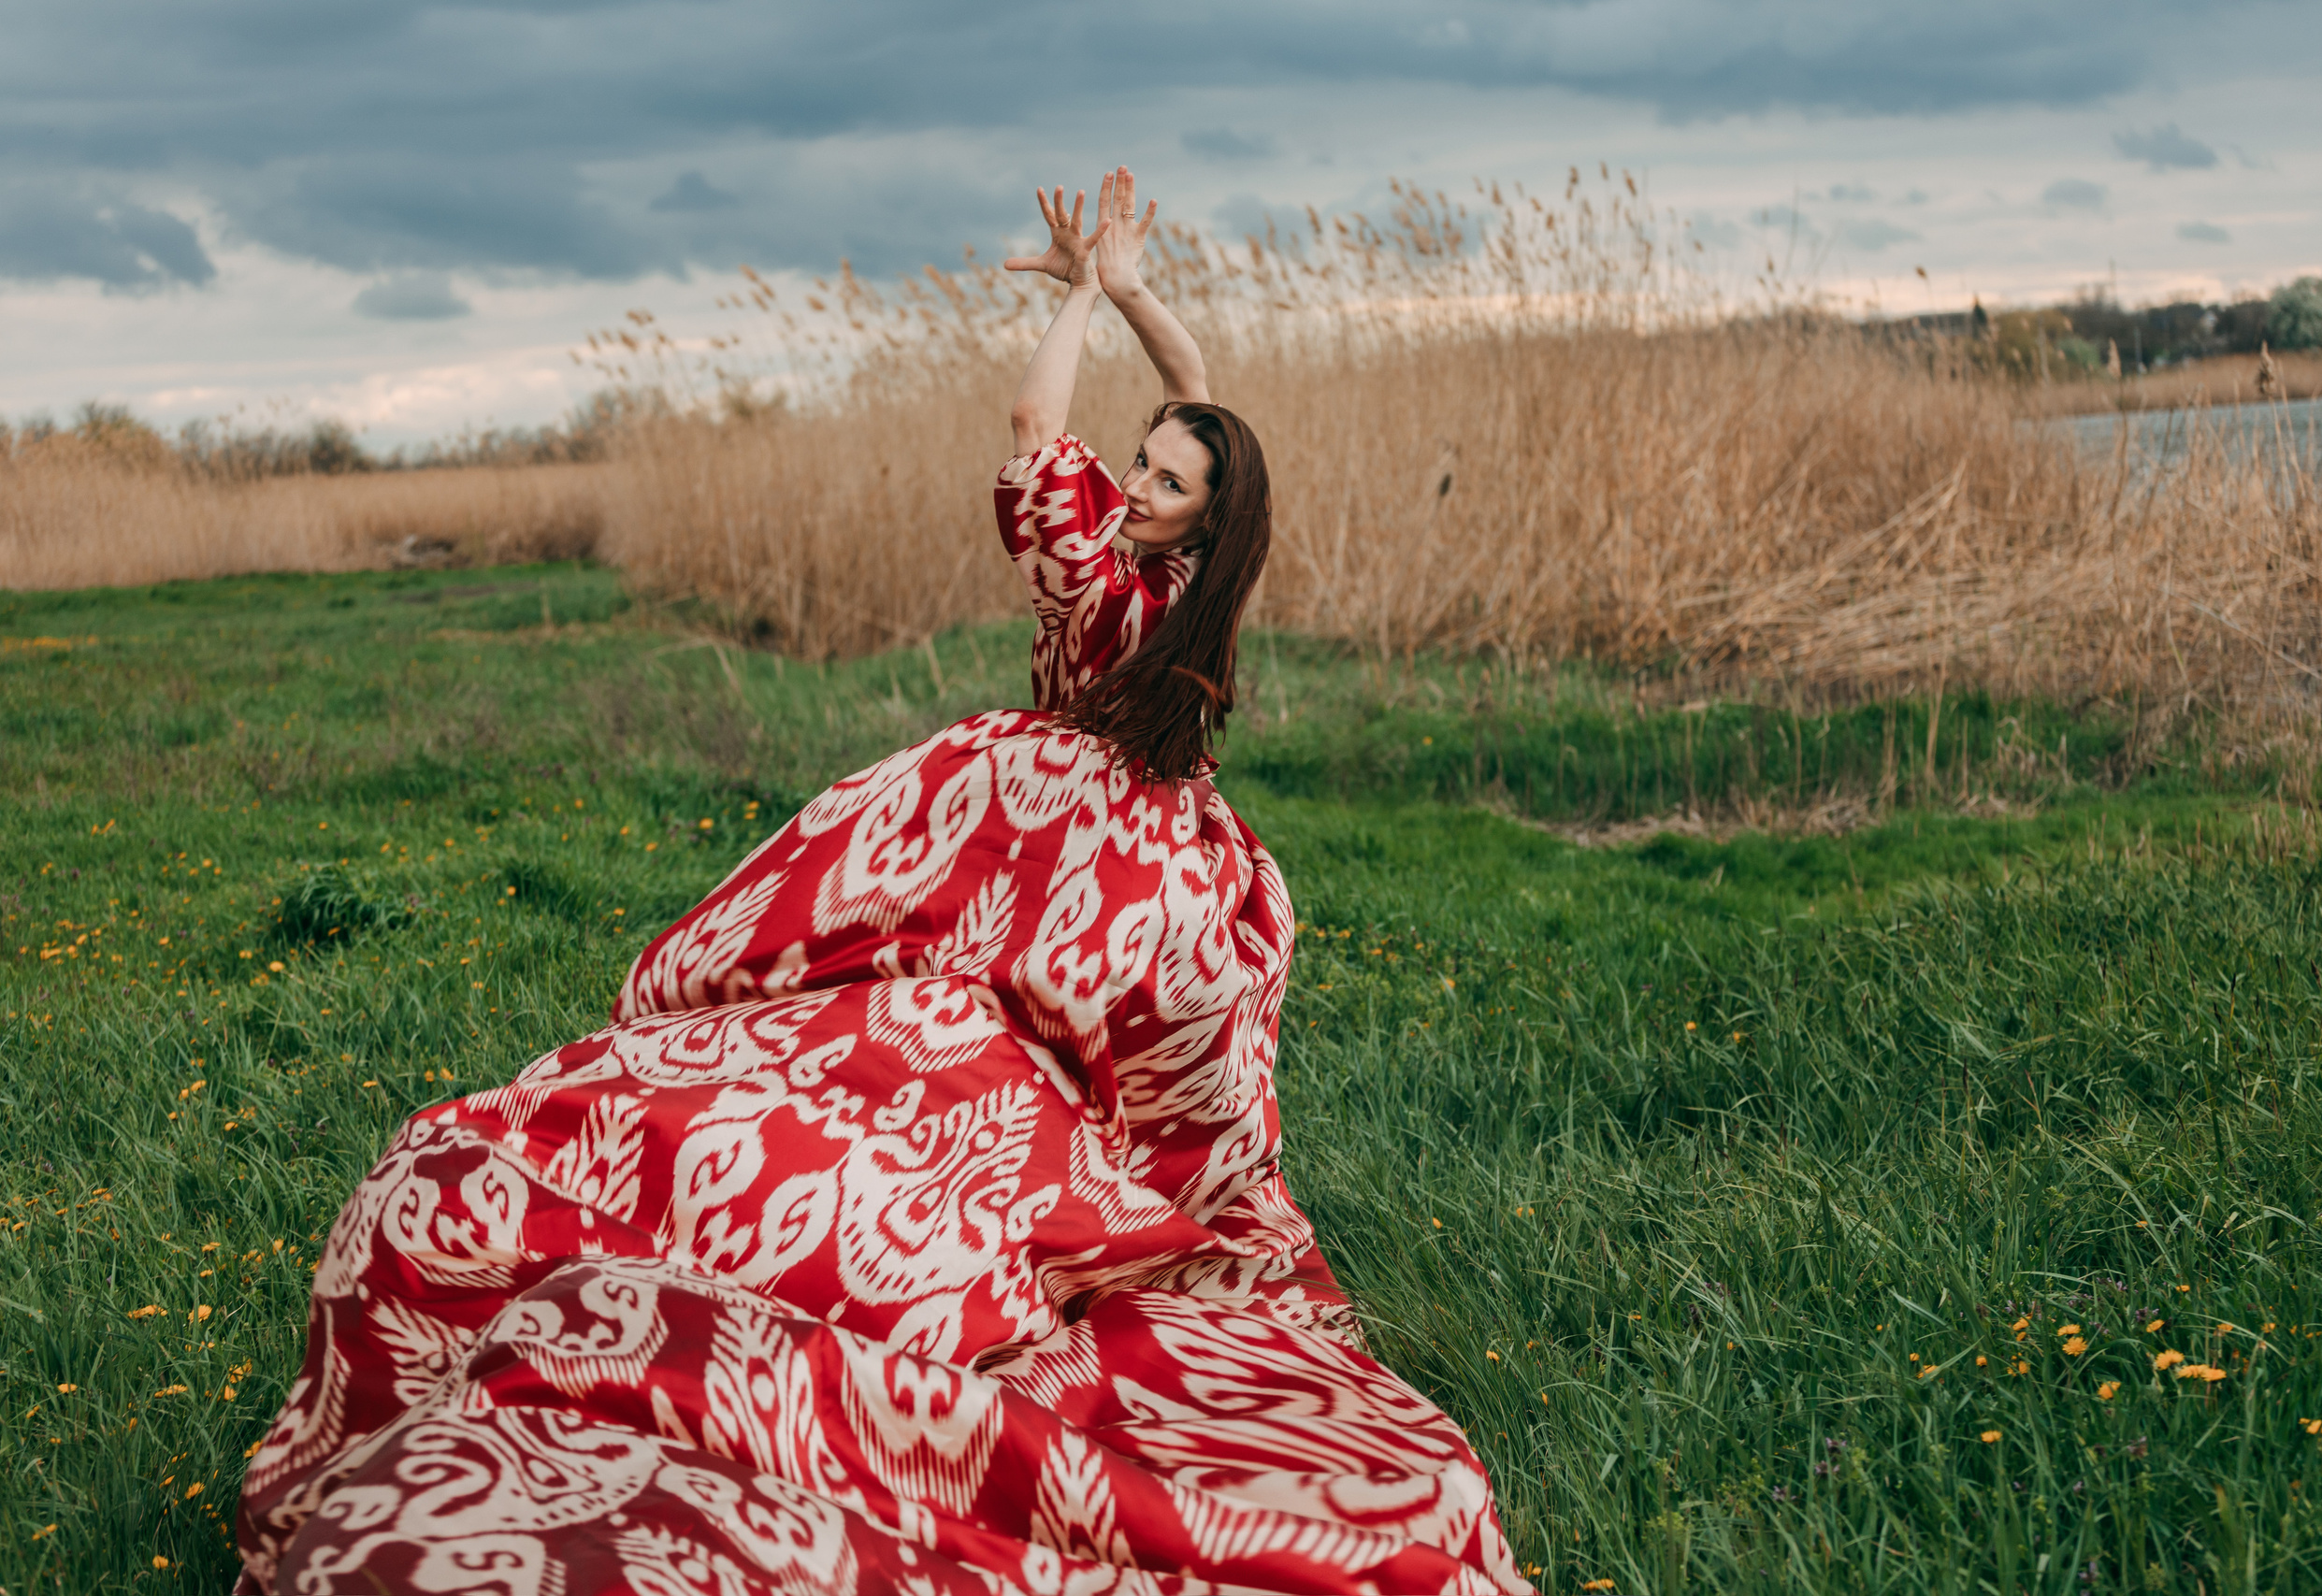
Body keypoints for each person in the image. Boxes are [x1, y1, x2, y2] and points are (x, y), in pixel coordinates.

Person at [236, 168, 1531, 1596]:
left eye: (1163, 480)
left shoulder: (1095, 588)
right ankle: (1078, 1169)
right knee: (1075, 1071)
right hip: (1169, 873)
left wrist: (1084, 294)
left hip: (1064, 837)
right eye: (1145, 466)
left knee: (922, 961)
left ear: (1187, 519)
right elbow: (1205, 396)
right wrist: (1143, 299)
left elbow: (1037, 427)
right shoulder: (1200, 593)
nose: (1139, 480)